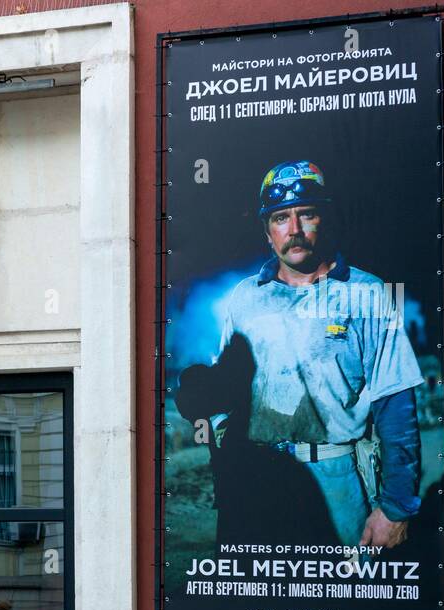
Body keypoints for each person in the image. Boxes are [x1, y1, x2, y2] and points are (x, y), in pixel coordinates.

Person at [175, 160, 423, 550]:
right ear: (266, 231)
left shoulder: (367, 294)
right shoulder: (245, 299)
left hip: (337, 480)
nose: (294, 230)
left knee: (346, 599)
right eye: (280, 218)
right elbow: (226, 388)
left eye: (306, 214)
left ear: (324, 218)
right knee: (256, 599)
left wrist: (396, 508)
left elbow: (395, 403)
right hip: (258, 481)